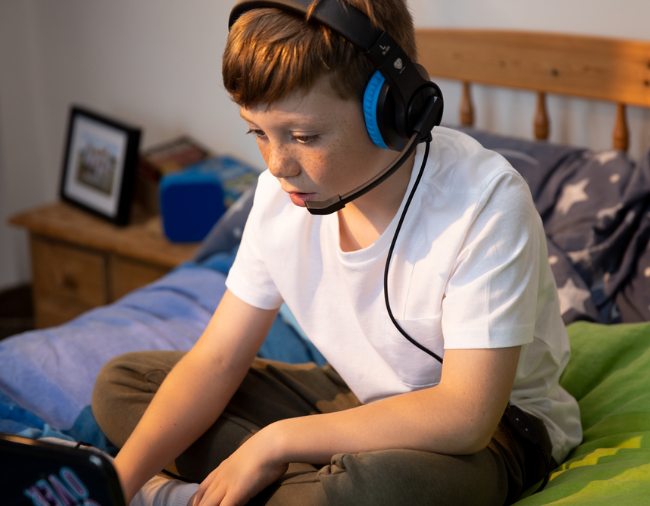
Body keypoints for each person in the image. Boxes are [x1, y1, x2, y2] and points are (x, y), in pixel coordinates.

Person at [91, 1, 582, 505]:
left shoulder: (488, 205)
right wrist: (110, 487)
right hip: (361, 402)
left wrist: (274, 443)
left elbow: (466, 416)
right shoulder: (276, 199)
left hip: (495, 434)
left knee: (379, 486)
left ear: (392, 110)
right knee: (123, 384)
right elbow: (216, 361)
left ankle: (211, 491)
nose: (279, 164)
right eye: (258, 132)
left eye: (303, 136)